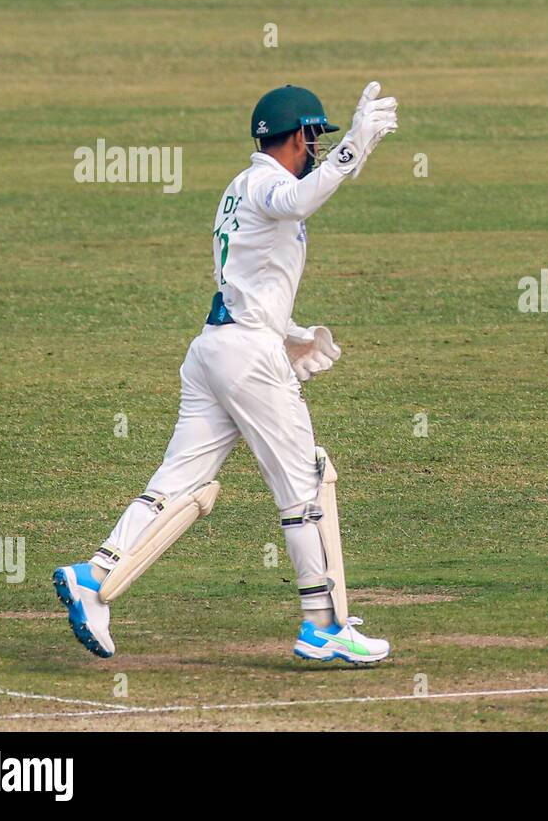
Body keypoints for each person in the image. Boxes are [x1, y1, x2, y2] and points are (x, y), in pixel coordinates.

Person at [53, 82, 399, 662]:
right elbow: (301, 202)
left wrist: (290, 335)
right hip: (245, 356)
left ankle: (94, 577)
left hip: (217, 348)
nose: (317, 147)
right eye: (314, 137)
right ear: (293, 136)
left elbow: (249, 274)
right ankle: (322, 625)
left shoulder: (241, 188)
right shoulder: (270, 184)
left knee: (177, 481)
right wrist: (356, 148)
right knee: (304, 488)